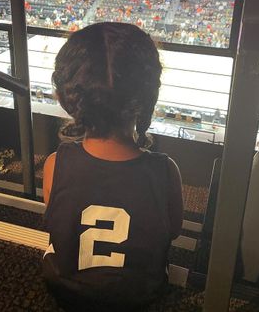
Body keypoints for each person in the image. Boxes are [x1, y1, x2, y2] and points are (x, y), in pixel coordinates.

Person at [42, 22, 183, 311]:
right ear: (146, 98)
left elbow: (57, 223)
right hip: (141, 296)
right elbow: (173, 231)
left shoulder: (56, 164)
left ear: (68, 97)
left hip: (67, 292)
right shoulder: (166, 171)